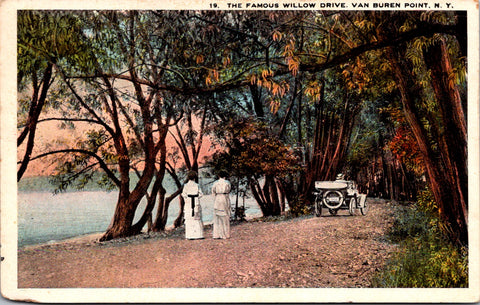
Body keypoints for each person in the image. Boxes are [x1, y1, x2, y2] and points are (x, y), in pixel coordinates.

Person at [181, 171, 204, 240]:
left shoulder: (186, 185)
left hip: (188, 202)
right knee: (196, 217)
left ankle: (190, 235)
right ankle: (198, 235)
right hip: (195, 201)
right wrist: (196, 197)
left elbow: (183, 194)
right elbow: (201, 194)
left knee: (189, 217)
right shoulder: (197, 185)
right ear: (194, 177)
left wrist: (187, 199)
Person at [211, 170, 232, 239]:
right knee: (225, 216)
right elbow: (229, 190)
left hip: (218, 198)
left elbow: (213, 191)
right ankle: (225, 234)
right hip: (225, 198)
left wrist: (215, 197)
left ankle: (217, 234)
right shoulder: (227, 183)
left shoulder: (215, 183)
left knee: (217, 216)